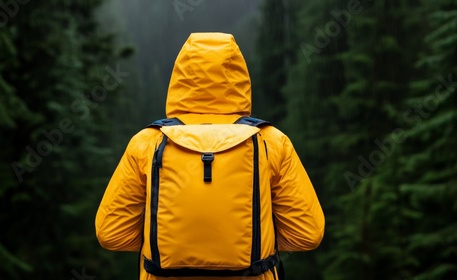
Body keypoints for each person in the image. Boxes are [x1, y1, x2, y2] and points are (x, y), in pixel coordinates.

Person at [95, 32, 325, 280]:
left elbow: (111, 233)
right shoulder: (272, 141)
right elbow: (308, 233)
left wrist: (166, 236)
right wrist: (251, 237)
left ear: (180, 77)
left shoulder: (147, 142)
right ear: (239, 77)